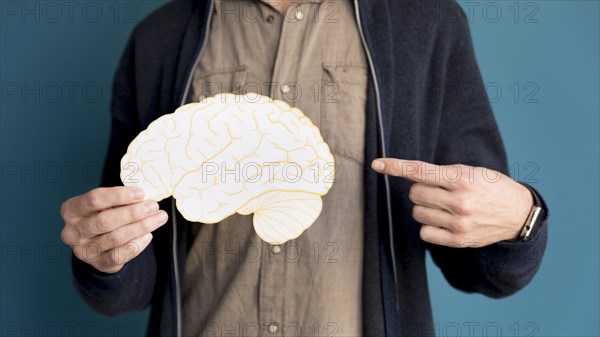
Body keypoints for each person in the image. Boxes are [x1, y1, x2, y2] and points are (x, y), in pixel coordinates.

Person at [60, 0, 549, 336]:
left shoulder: (426, 24)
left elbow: (482, 268)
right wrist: (104, 256)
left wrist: (520, 220)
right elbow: (129, 284)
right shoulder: (160, 40)